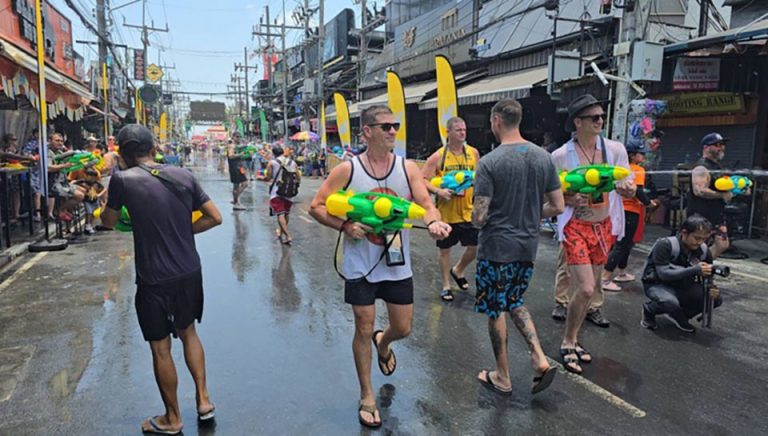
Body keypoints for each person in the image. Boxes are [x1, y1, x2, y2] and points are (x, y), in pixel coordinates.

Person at [309, 105, 450, 428]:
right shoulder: (348, 170)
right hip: (360, 263)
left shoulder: (407, 168)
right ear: (367, 132)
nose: (392, 132)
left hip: (396, 261)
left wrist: (434, 222)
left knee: (403, 327)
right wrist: (345, 226)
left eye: (394, 126)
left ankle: (383, 342)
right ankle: (367, 394)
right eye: (385, 126)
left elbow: (426, 204)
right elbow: (316, 206)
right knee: (362, 325)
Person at [101, 124, 222, 434]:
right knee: (189, 332)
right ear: (154, 148)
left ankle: (172, 418)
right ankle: (204, 401)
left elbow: (109, 221)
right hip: (189, 270)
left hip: (153, 277)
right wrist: (183, 230)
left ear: (122, 153)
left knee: (161, 347)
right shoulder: (183, 175)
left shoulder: (122, 180)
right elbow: (215, 217)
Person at [472, 99, 564, 395]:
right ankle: (539, 358)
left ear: (496, 121)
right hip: (527, 246)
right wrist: (528, 213)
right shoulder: (543, 158)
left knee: (495, 307)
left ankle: (502, 375)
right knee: (514, 299)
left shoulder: (489, 162)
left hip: (497, 248)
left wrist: (478, 216)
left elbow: (479, 217)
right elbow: (558, 205)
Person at [551, 95, 635, 374]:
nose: (600, 121)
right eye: (594, 117)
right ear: (578, 122)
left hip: (604, 227)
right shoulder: (560, 156)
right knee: (586, 287)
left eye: (602, 116)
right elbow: (549, 193)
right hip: (576, 226)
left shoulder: (614, 150)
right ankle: (568, 340)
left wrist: (628, 189)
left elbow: (629, 183)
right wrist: (568, 198)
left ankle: (574, 338)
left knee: (591, 289)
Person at [421, 116, 480, 301]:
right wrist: (439, 191)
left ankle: (458, 269)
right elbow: (422, 180)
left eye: (464, 129)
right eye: (458, 130)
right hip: (446, 213)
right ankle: (446, 285)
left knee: (475, 247)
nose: (463, 133)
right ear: (448, 132)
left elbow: (479, 176)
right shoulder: (438, 156)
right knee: (445, 250)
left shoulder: (473, 153)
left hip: (468, 211)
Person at [641, 215, 722, 333]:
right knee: (669, 302)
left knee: (715, 298)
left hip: (684, 285)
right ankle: (649, 310)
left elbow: (708, 275)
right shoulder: (665, 244)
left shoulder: (703, 250)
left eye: (704, 239)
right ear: (684, 233)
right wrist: (694, 270)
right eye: (696, 238)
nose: (700, 242)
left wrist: (712, 288)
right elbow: (663, 274)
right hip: (658, 284)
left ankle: (680, 315)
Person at [601, 139, 659, 290]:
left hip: (620, 209)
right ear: (632, 155)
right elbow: (638, 190)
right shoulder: (637, 170)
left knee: (626, 243)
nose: (643, 157)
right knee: (622, 244)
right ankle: (605, 277)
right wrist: (648, 203)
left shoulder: (621, 168)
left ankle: (622, 272)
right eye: (641, 154)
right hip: (630, 210)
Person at [687, 133, 733, 258]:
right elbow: (699, 190)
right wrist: (721, 195)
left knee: (722, 244)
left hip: (716, 214)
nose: (721, 147)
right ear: (706, 147)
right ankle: (695, 265)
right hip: (701, 215)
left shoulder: (717, 167)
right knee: (697, 246)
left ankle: (704, 263)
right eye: (717, 145)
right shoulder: (701, 167)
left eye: (722, 144)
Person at [267, 145, 300, 244]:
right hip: (289, 191)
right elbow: (298, 176)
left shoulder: (272, 163)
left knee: (280, 213)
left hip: (277, 191)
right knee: (286, 212)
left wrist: (261, 178)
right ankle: (281, 233)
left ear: (274, 153)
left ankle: (288, 235)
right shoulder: (292, 162)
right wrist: (296, 186)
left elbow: (268, 177)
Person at [20, 128, 42, 222]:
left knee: (38, 192)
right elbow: (25, 154)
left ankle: (39, 212)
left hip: (42, 170)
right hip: (33, 170)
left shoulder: (45, 144)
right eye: (38, 133)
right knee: (35, 192)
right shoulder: (30, 144)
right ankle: (36, 213)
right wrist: (32, 157)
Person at [226, 133, 248, 210]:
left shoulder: (235, 146)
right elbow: (230, 156)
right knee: (244, 184)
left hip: (238, 167)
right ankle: (236, 202)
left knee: (237, 185)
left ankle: (236, 201)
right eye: (237, 137)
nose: (239, 138)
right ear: (233, 137)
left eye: (239, 137)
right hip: (235, 167)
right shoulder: (232, 146)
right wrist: (240, 154)